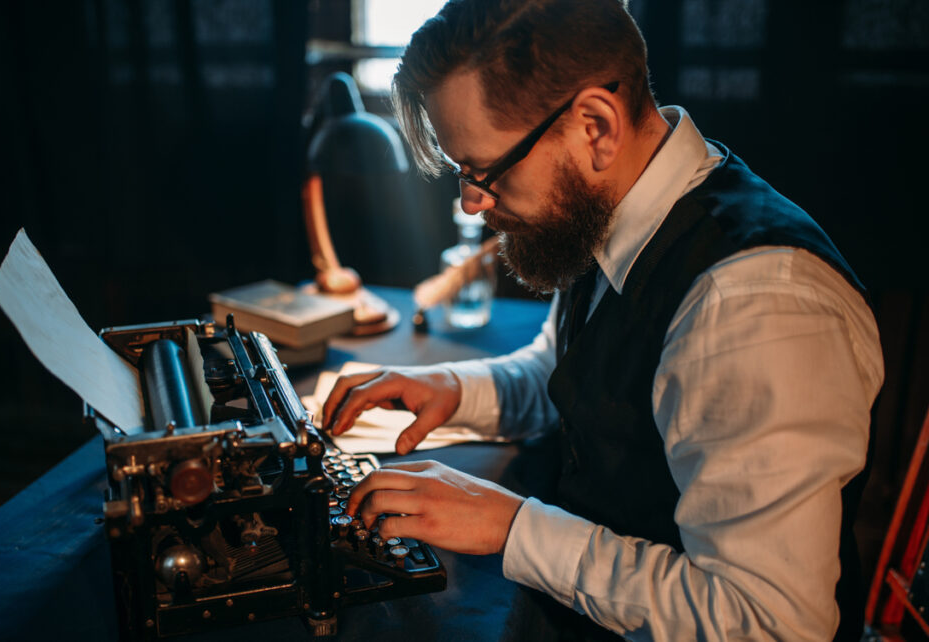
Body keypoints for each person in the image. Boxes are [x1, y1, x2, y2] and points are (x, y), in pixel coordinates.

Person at [321, 0, 884, 639]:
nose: (472, 204)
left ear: (594, 126)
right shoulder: (615, 207)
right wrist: (455, 390)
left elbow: (767, 623)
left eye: (486, 172)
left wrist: (513, 527)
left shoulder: (757, 308)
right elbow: (578, 374)